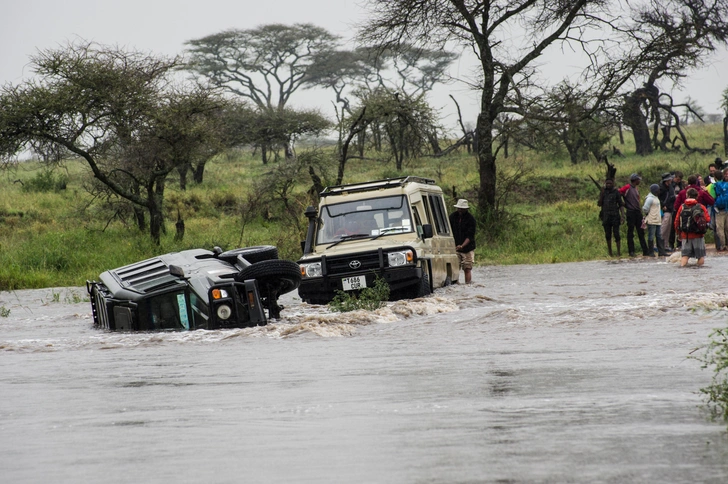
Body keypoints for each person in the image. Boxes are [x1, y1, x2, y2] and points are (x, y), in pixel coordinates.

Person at [674, 188, 710, 267]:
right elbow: (707, 219)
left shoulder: (682, 207)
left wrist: (678, 233)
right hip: (698, 235)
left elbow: (677, 221)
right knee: (700, 256)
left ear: (687, 195)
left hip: (685, 235)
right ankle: (698, 272)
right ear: (697, 196)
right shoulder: (701, 207)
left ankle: (683, 270)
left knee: (685, 256)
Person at [619, 173, 649, 257]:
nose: (639, 181)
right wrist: (623, 203)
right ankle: (631, 251)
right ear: (635, 180)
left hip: (637, 212)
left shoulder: (635, 188)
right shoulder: (627, 187)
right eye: (638, 180)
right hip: (631, 211)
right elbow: (619, 193)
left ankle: (645, 250)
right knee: (630, 232)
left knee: (641, 232)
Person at [449, 199, 476, 284]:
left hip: (468, 248)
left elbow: (470, 236)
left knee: (467, 268)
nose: (460, 210)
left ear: (466, 209)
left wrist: (462, 246)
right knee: (455, 268)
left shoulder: (471, 219)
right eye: (459, 208)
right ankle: (455, 285)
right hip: (455, 248)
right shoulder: (452, 217)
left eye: (462, 209)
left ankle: (468, 285)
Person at [597, 178, 625, 257]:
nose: (608, 185)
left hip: (615, 216)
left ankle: (618, 252)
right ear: (605, 184)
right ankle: (610, 252)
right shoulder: (603, 192)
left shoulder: (616, 192)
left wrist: (622, 216)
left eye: (610, 183)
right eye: (607, 183)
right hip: (606, 216)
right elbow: (599, 204)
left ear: (613, 184)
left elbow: (620, 204)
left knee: (616, 234)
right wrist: (602, 194)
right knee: (607, 234)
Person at [643, 183, 667, 256]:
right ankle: (651, 252)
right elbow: (645, 209)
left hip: (657, 220)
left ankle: (661, 251)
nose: (659, 191)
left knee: (659, 236)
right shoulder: (650, 198)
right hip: (652, 220)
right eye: (658, 190)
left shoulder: (656, 197)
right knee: (651, 236)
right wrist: (649, 215)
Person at [658, 172, 675, 253]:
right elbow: (658, 198)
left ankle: (665, 245)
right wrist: (663, 205)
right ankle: (658, 245)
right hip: (665, 210)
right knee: (663, 228)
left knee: (668, 228)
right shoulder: (661, 188)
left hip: (670, 209)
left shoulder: (670, 187)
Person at [712, 167, 728, 251]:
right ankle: (724, 245)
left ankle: (723, 245)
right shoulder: (719, 184)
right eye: (725, 173)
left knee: (723, 228)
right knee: (722, 228)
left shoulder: (717, 185)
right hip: (722, 209)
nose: (727, 175)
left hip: (722, 208)